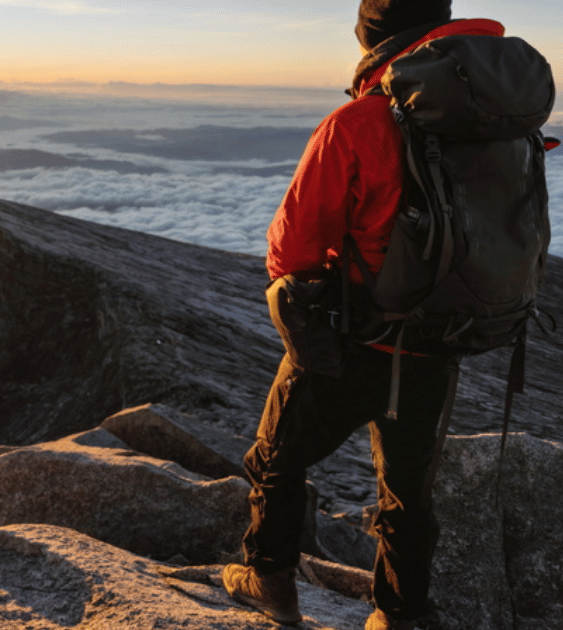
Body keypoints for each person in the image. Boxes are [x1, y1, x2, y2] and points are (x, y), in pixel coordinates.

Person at [221, 2, 510, 629]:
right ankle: (399, 615)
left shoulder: (359, 121)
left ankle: (268, 578)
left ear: (374, 35)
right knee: (409, 491)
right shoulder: (492, 118)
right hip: (441, 339)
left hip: (356, 338)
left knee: (276, 456)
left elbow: (290, 249)